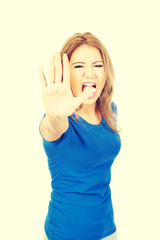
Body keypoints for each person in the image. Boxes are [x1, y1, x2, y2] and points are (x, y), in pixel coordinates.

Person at [39, 32, 121, 240]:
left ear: (105, 72)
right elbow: (50, 128)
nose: (90, 73)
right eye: (79, 66)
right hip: (66, 232)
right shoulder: (61, 121)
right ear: (66, 75)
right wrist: (54, 115)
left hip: (107, 229)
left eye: (97, 65)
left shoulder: (109, 111)